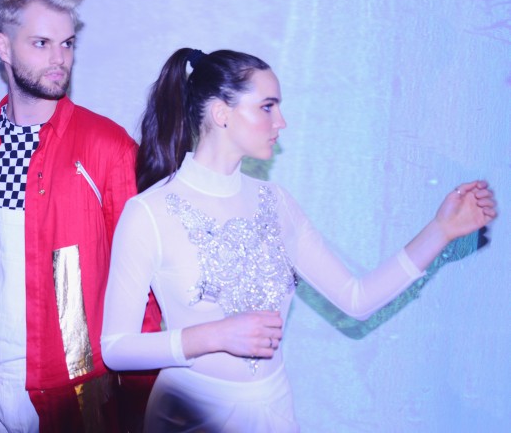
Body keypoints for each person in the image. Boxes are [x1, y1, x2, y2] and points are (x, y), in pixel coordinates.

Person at [100, 48, 497, 432]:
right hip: (187, 416)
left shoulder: (277, 202)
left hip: (274, 409)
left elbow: (356, 299)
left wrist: (440, 230)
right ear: (221, 113)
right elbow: (115, 349)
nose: (281, 122)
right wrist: (214, 335)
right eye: (267, 107)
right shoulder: (148, 212)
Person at [0, 0, 161, 433]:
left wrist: (146, 399)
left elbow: (142, 282)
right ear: (4, 47)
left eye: (67, 43)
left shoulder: (107, 148)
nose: (60, 59)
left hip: (77, 391)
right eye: (42, 43)